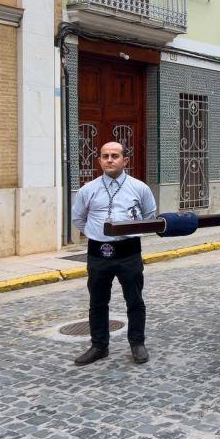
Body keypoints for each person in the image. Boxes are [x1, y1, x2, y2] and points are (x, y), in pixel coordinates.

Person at [71, 141, 157, 366]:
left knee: (135, 300)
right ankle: (99, 346)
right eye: (105, 156)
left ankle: (137, 343)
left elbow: (149, 216)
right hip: (98, 253)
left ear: (125, 161)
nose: (109, 160)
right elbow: (79, 219)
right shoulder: (87, 189)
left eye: (115, 156)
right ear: (99, 160)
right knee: (97, 301)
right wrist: (98, 233)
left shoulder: (139, 188)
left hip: (128, 252)